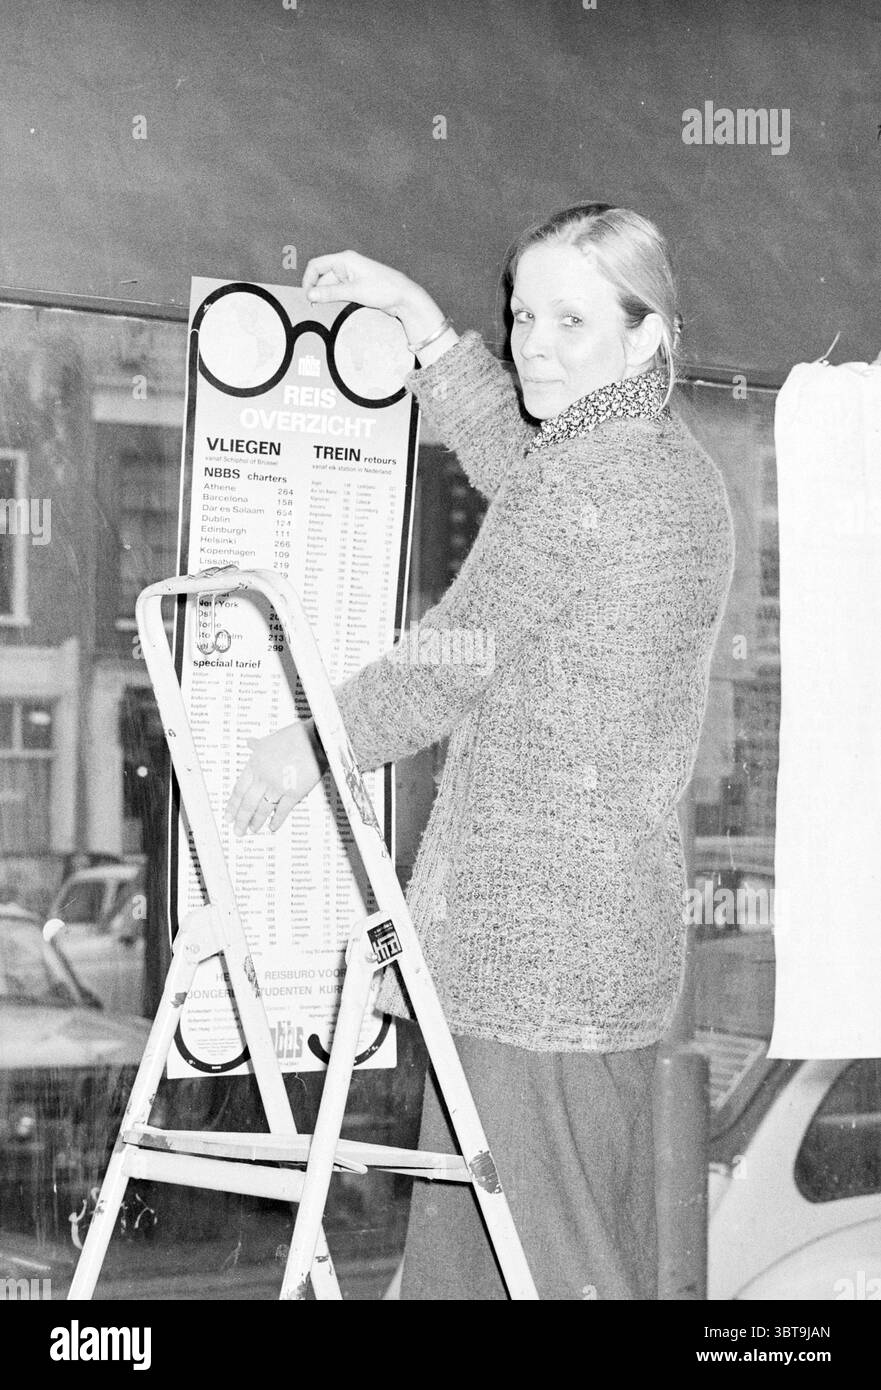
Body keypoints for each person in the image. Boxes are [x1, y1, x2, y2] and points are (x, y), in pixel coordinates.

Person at [224, 202, 736, 1300]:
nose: (531, 344)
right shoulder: (667, 471)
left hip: (526, 952)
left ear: (644, 335)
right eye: (519, 315)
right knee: (551, 1262)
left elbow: (451, 659)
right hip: (600, 947)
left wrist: (312, 742)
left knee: (532, 1269)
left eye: (567, 321)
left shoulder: (586, 481)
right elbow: (532, 469)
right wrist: (420, 323)